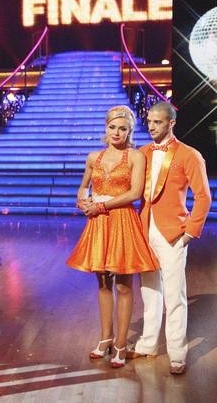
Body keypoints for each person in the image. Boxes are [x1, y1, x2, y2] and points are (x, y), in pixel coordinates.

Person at [66, 105, 158, 368]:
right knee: (103, 284)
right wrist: (82, 202)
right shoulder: (93, 157)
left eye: (123, 128)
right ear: (105, 128)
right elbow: (83, 187)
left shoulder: (135, 157)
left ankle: (120, 344)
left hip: (121, 221)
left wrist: (101, 205)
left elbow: (135, 194)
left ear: (129, 131)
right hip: (97, 223)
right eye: (112, 127)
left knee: (123, 286)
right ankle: (105, 338)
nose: (116, 132)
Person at [128, 102, 212, 375]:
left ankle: (177, 352)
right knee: (149, 291)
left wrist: (190, 231)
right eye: (149, 121)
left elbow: (203, 196)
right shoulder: (141, 153)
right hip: (144, 228)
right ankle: (148, 344)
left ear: (171, 123)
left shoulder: (189, 155)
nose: (151, 126)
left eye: (158, 122)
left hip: (173, 232)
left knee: (175, 295)